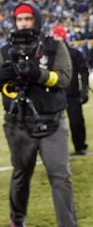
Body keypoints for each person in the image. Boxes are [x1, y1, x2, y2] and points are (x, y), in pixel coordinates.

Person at [0, 1, 77, 227]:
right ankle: (17, 220)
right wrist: (1, 76)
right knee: (20, 177)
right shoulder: (5, 51)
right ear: (14, 22)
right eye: (20, 19)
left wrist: (40, 74)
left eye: (28, 19)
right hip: (18, 125)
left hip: (52, 123)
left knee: (61, 178)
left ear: (37, 20)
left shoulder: (54, 47)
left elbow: (65, 78)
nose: (24, 23)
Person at [52, 25, 89, 155]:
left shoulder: (74, 53)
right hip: (56, 94)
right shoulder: (52, 55)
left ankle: (80, 146)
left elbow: (84, 72)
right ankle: (56, 151)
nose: (54, 39)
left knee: (76, 122)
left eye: (56, 36)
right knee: (53, 125)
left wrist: (84, 90)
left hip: (71, 93)